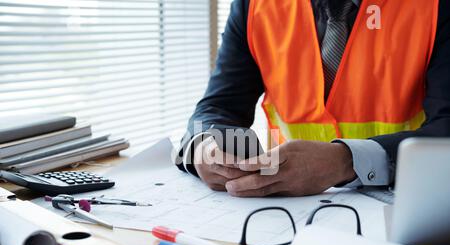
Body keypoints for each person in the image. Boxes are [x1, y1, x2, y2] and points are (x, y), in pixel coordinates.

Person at [176, 0, 450, 197]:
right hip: (286, 212)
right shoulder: (254, 6)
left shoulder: (435, 7)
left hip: (405, 202)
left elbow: (446, 128)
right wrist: (203, 148)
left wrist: (346, 161)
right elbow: (217, 107)